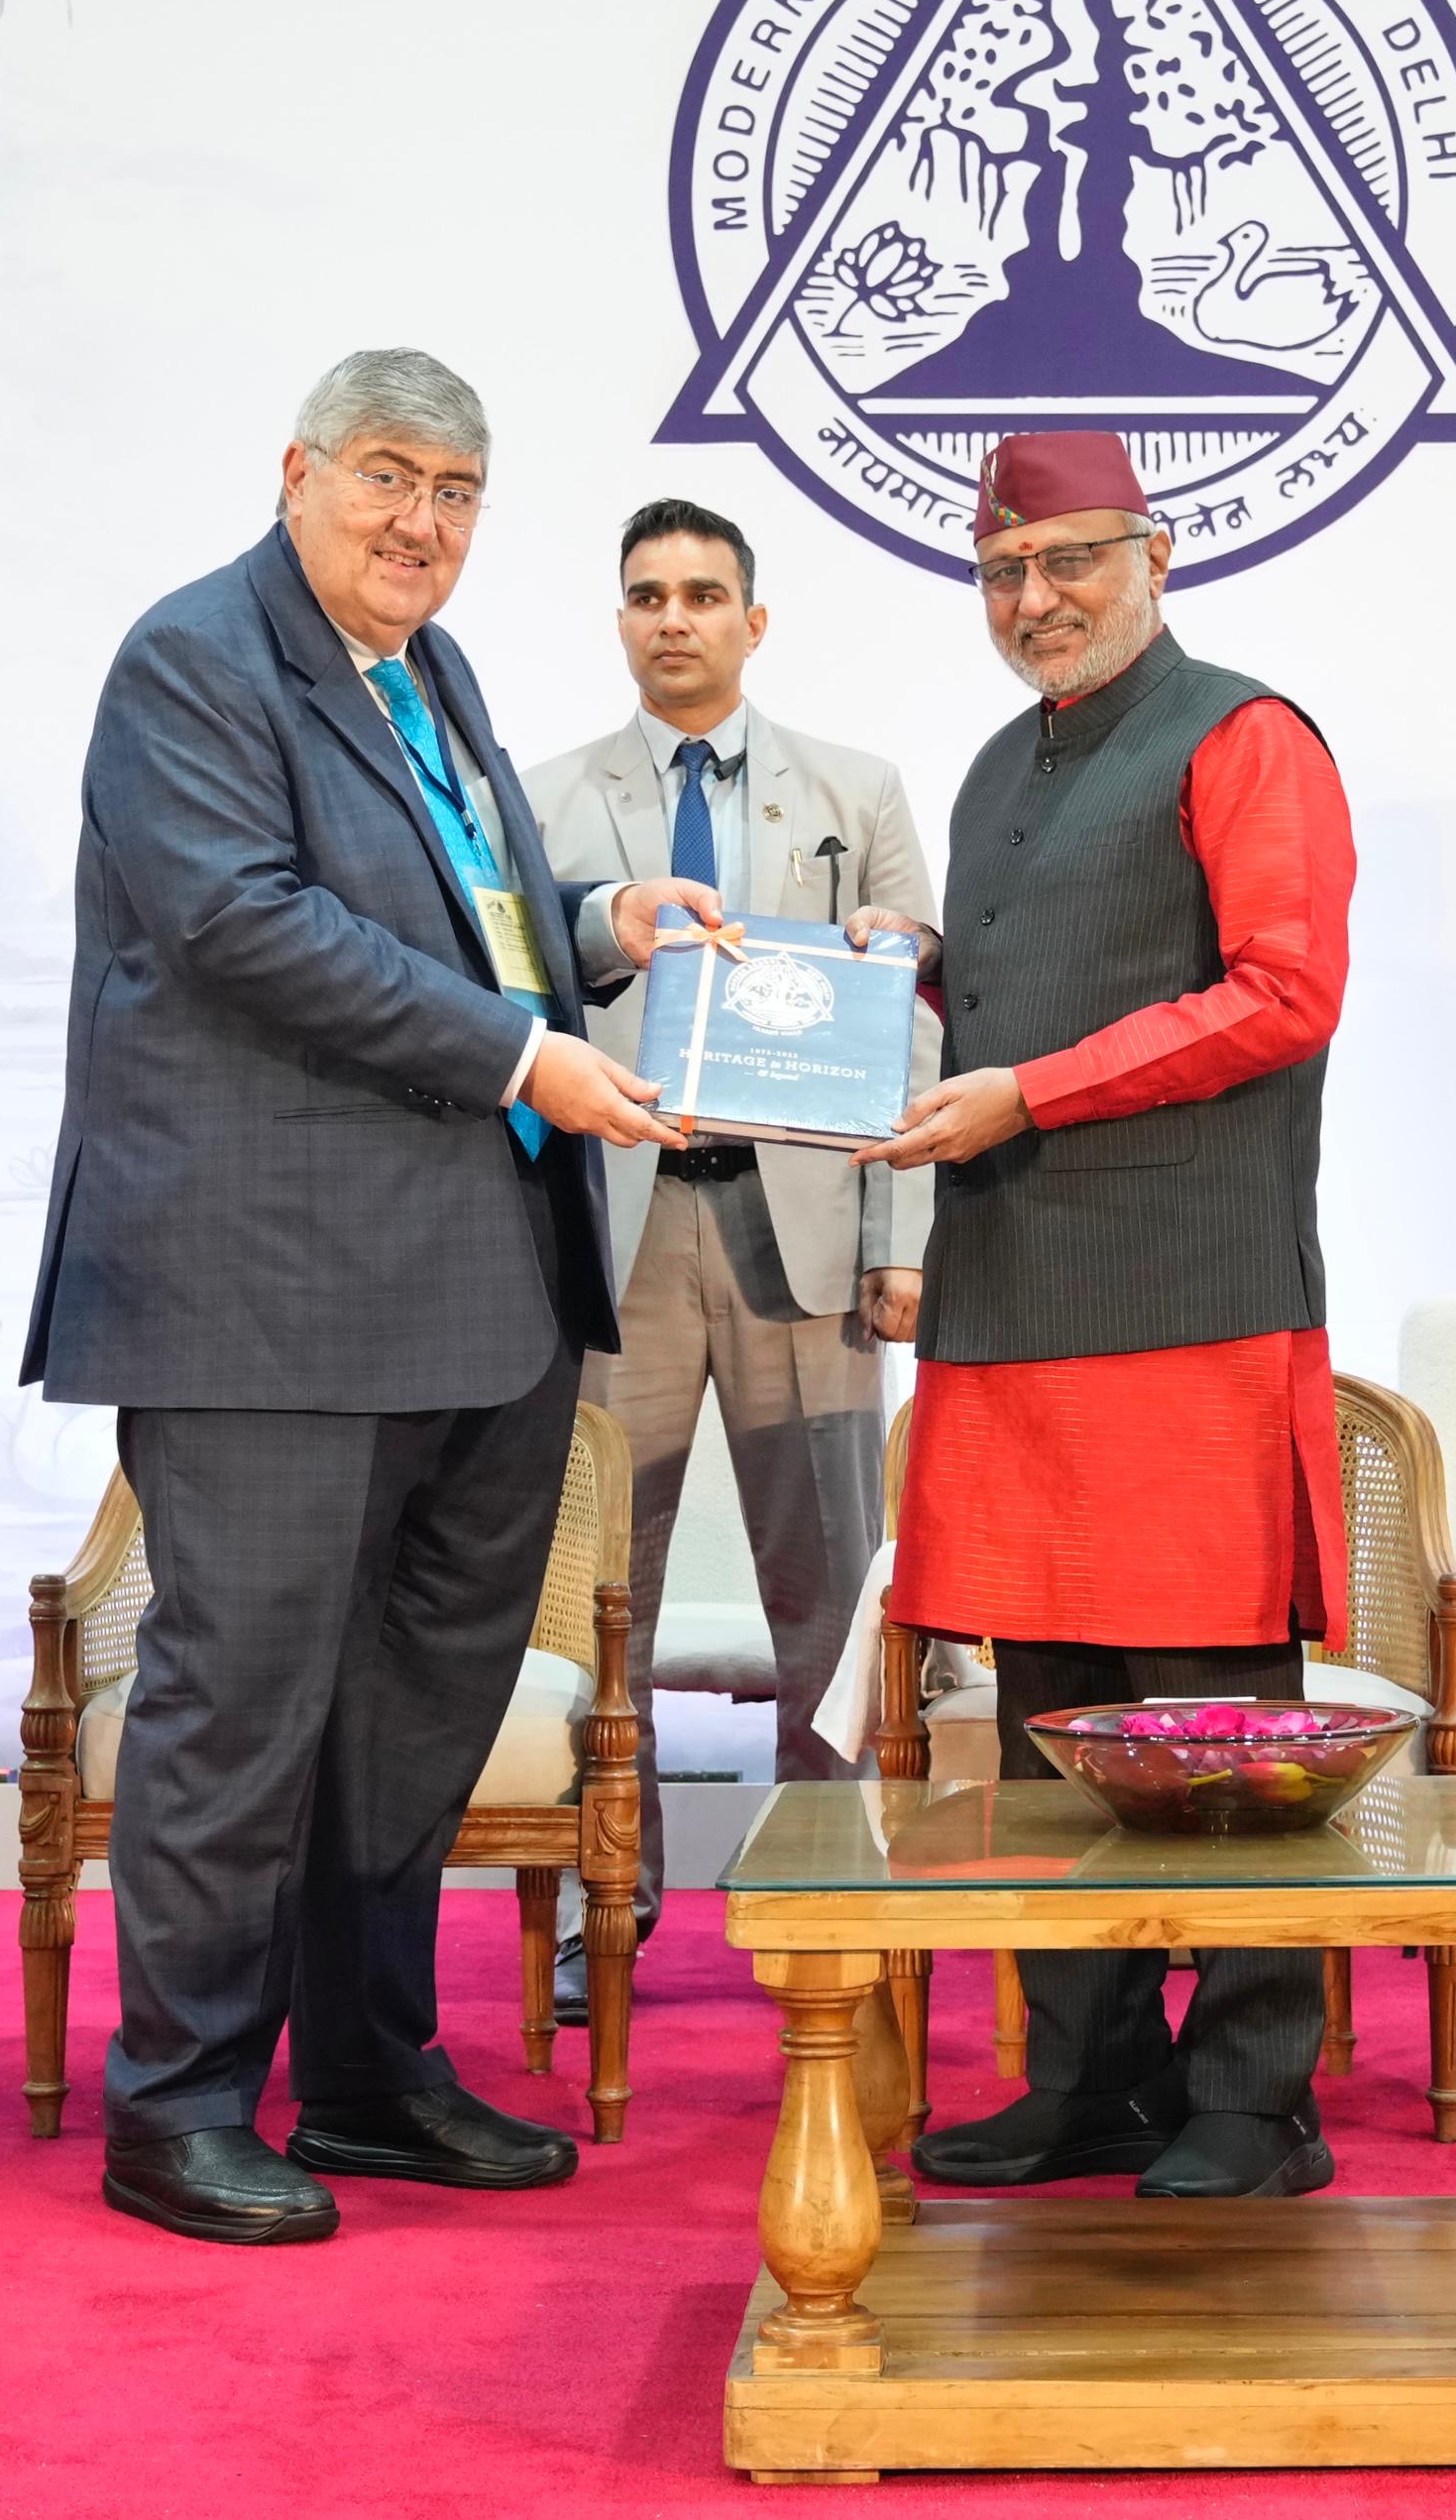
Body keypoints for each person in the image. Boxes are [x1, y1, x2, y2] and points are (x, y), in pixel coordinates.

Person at [24, 349, 717, 2244]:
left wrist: (594, 931)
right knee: (237, 1707)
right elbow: (246, 922)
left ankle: (367, 2075)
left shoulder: (426, 670)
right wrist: (522, 1053)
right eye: (389, 479)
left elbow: (458, 900)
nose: (423, 524)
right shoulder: (193, 660)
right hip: (266, 1295)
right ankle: (173, 2108)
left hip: (474, 1290)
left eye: (460, 496)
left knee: (412, 1716)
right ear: (299, 472)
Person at [844, 429, 1356, 2203]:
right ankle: (1093, 2080)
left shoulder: (1244, 733)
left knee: (1212, 1716)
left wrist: (1032, 1093)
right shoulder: (997, 769)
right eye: (1001, 572)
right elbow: (1027, 981)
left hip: (1186, 1302)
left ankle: (1252, 2102)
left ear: (1154, 553)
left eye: (1068, 561)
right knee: (1047, 1711)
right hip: (1013, 1301)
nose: (1033, 600)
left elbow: (1283, 994)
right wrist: (881, 978)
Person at [523, 500, 940, 2025]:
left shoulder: (856, 789)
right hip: (618, 1236)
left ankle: (823, 1889)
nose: (674, 617)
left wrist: (905, 1240)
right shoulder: (544, 798)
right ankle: (598, 1903)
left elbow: (915, 1018)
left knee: (827, 1585)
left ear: (755, 621)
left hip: (804, 1232)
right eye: (646, 595)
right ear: (619, 622)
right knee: (595, 1590)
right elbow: (516, 997)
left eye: (704, 593)